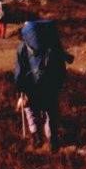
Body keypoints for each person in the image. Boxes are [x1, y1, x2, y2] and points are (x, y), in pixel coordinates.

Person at [14, 16, 74, 151]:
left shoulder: (22, 47)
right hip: (51, 85)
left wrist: (20, 90)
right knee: (51, 112)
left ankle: (36, 137)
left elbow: (19, 73)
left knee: (30, 111)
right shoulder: (51, 44)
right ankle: (52, 140)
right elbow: (64, 63)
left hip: (31, 86)